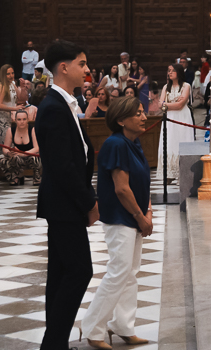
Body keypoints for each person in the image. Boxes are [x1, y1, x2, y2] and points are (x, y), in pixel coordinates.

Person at [36, 39, 98, 350]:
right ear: (64, 67)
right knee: (80, 271)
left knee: (61, 274)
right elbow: (62, 166)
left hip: (64, 204)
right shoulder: (52, 107)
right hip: (64, 204)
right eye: (81, 64)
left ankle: (55, 344)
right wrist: (89, 202)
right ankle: (52, 343)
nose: (86, 70)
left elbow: (79, 154)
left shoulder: (65, 104)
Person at [79, 97, 152, 349]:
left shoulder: (134, 142)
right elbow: (121, 188)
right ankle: (92, 329)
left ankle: (123, 326)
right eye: (138, 114)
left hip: (134, 216)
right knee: (119, 272)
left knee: (130, 273)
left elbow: (143, 181)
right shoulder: (115, 144)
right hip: (121, 217)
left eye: (143, 112)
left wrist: (148, 212)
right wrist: (140, 217)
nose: (144, 117)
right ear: (121, 120)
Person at [157, 63, 192, 182]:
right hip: (169, 117)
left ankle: (183, 173)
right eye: (169, 70)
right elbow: (159, 105)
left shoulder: (186, 86)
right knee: (169, 142)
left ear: (179, 72)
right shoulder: (166, 87)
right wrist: (173, 103)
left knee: (182, 140)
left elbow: (180, 106)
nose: (170, 73)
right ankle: (169, 173)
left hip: (182, 117)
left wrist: (166, 104)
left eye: (172, 70)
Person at [0, 109, 41, 186]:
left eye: (24, 119)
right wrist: (9, 153)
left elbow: (37, 148)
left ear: (27, 120)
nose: (22, 122)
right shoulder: (11, 130)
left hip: (30, 157)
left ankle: (37, 176)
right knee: (1, 158)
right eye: (19, 119)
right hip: (17, 158)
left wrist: (23, 153)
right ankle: (14, 177)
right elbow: (5, 148)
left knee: (35, 157)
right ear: (15, 120)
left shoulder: (32, 129)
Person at [0, 64, 23, 146]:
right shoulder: (1, 86)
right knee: (5, 143)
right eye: (8, 74)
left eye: (12, 73)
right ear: (3, 75)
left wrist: (22, 87)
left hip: (6, 116)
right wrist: (14, 108)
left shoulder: (12, 84)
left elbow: (21, 98)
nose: (11, 76)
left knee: (7, 142)